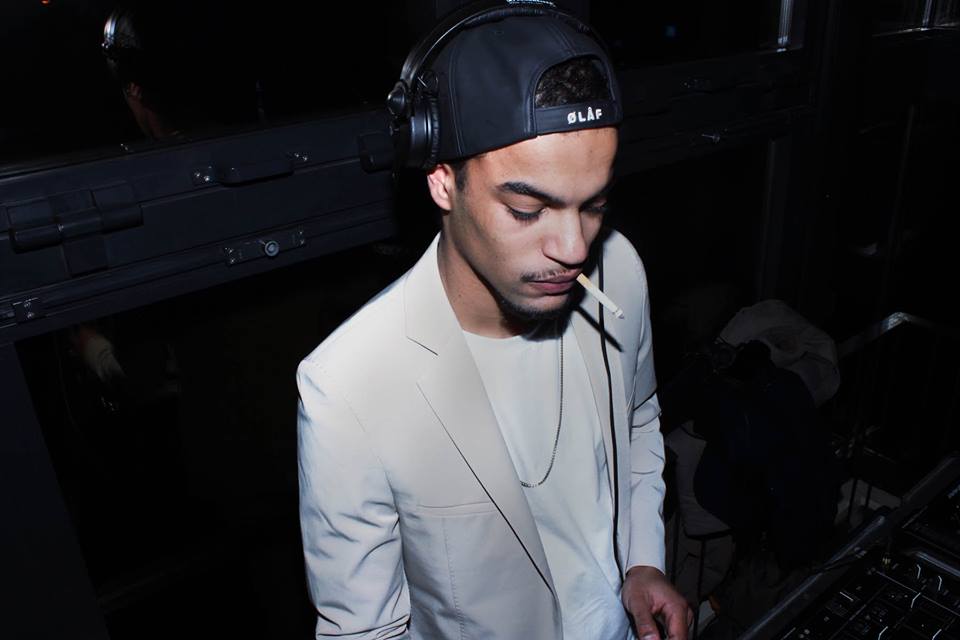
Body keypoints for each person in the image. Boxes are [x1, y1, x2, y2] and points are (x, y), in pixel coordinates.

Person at [297, 2, 691, 638]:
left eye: (593, 205)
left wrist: (643, 561)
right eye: (528, 211)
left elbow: (639, 418)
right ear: (442, 181)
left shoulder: (619, 270)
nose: (574, 248)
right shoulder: (348, 388)